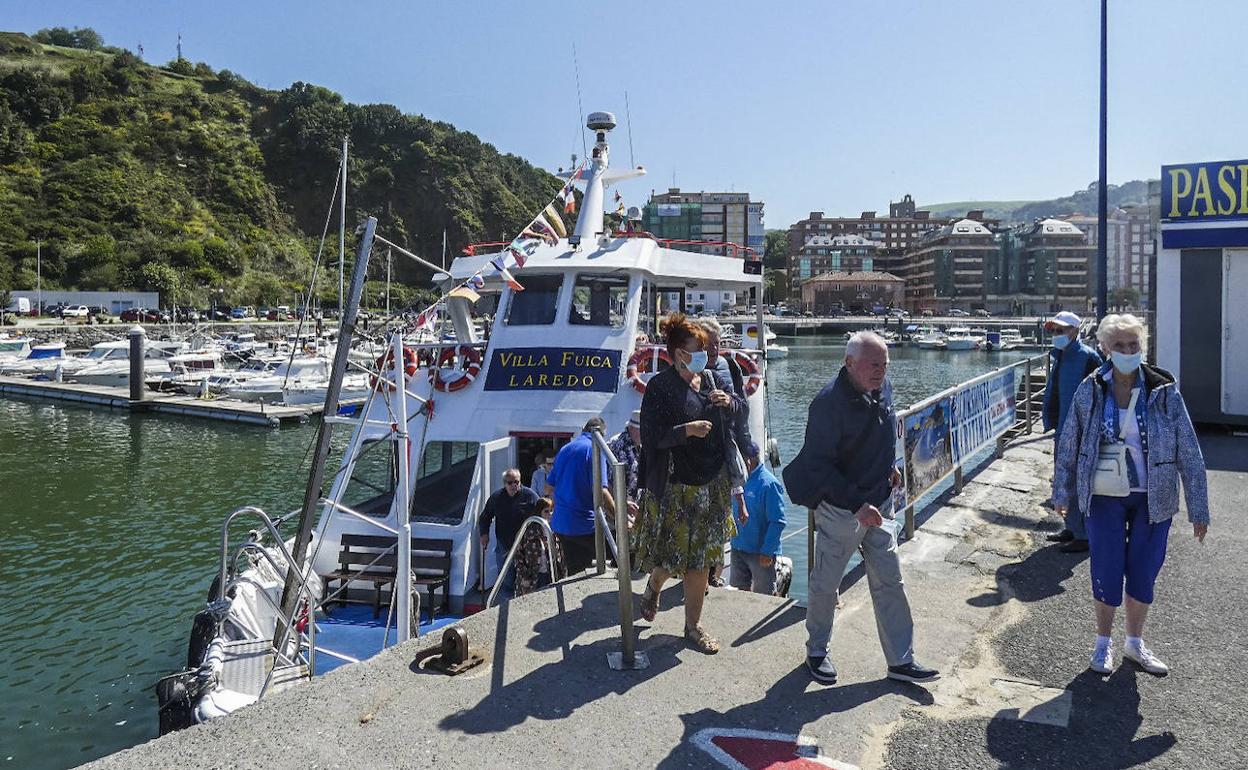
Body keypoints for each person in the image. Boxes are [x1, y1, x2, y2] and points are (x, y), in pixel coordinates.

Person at [1053, 314, 1209, 676]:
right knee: (1106, 566)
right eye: (1119, 345)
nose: (1127, 351)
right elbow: (1070, 442)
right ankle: (1103, 644)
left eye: (1133, 344)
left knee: (1144, 568)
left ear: (1143, 346)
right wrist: (1062, 491)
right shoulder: (1091, 388)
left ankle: (1135, 643)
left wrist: (1198, 508)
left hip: (1154, 496)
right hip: (1104, 493)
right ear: (1105, 348)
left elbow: (1188, 448)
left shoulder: (1164, 389)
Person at [783, 331, 939, 686]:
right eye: (873, 365)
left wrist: (889, 467)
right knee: (826, 584)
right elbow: (819, 466)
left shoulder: (883, 387)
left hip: (880, 503)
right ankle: (817, 652)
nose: (880, 371)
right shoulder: (827, 404)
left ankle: (901, 660)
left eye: (884, 364)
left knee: (891, 581)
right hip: (842, 509)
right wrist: (857, 505)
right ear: (849, 363)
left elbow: (883, 429)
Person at [634, 313, 749, 654]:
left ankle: (692, 626)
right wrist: (687, 430)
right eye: (696, 348)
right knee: (672, 559)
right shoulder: (660, 386)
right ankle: (655, 586)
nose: (703, 354)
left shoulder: (712, 378)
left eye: (703, 347)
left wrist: (729, 403)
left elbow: (739, 410)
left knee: (700, 560)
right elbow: (651, 437)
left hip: (712, 482)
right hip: (677, 486)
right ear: (677, 353)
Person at [695, 316, 754, 588]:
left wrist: (729, 401)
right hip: (693, 460)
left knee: (719, 521)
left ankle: (709, 577)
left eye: (717, 344)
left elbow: (743, 411)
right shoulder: (682, 375)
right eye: (709, 345)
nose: (714, 350)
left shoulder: (727, 369)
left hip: (722, 454)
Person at [1042, 310, 1104, 552]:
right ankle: (1070, 526)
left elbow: (1100, 394)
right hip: (1062, 429)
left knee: (1080, 481)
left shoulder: (1088, 357)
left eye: (1061, 330)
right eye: (1054, 331)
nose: (1056, 335)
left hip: (1081, 430)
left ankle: (1084, 535)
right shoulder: (1060, 356)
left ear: (1075, 331)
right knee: (1064, 479)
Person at [546, 417, 618, 576]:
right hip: (583, 526)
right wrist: (619, 515)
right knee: (619, 549)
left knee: (574, 570)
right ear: (601, 434)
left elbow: (549, 486)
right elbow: (601, 491)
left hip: (561, 524)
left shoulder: (565, 449)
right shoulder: (595, 449)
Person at [729, 442, 787, 595]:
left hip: (760, 553)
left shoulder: (769, 484)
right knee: (736, 595)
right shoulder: (736, 480)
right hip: (737, 548)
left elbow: (777, 521)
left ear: (748, 461)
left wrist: (767, 551)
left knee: (763, 597)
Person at [479, 468, 539, 598]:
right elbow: (485, 517)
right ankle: (507, 602)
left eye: (516, 482)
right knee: (506, 577)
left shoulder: (530, 496)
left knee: (526, 575)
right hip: (504, 544)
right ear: (504, 483)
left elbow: (541, 515)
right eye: (509, 482)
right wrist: (484, 534)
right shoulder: (496, 498)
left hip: (525, 545)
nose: (513, 485)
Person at [514, 498, 563, 597]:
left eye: (552, 510)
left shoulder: (555, 530)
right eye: (546, 511)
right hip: (532, 575)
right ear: (539, 512)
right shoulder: (528, 530)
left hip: (549, 574)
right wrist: (524, 576)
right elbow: (518, 555)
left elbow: (561, 554)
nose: (550, 514)